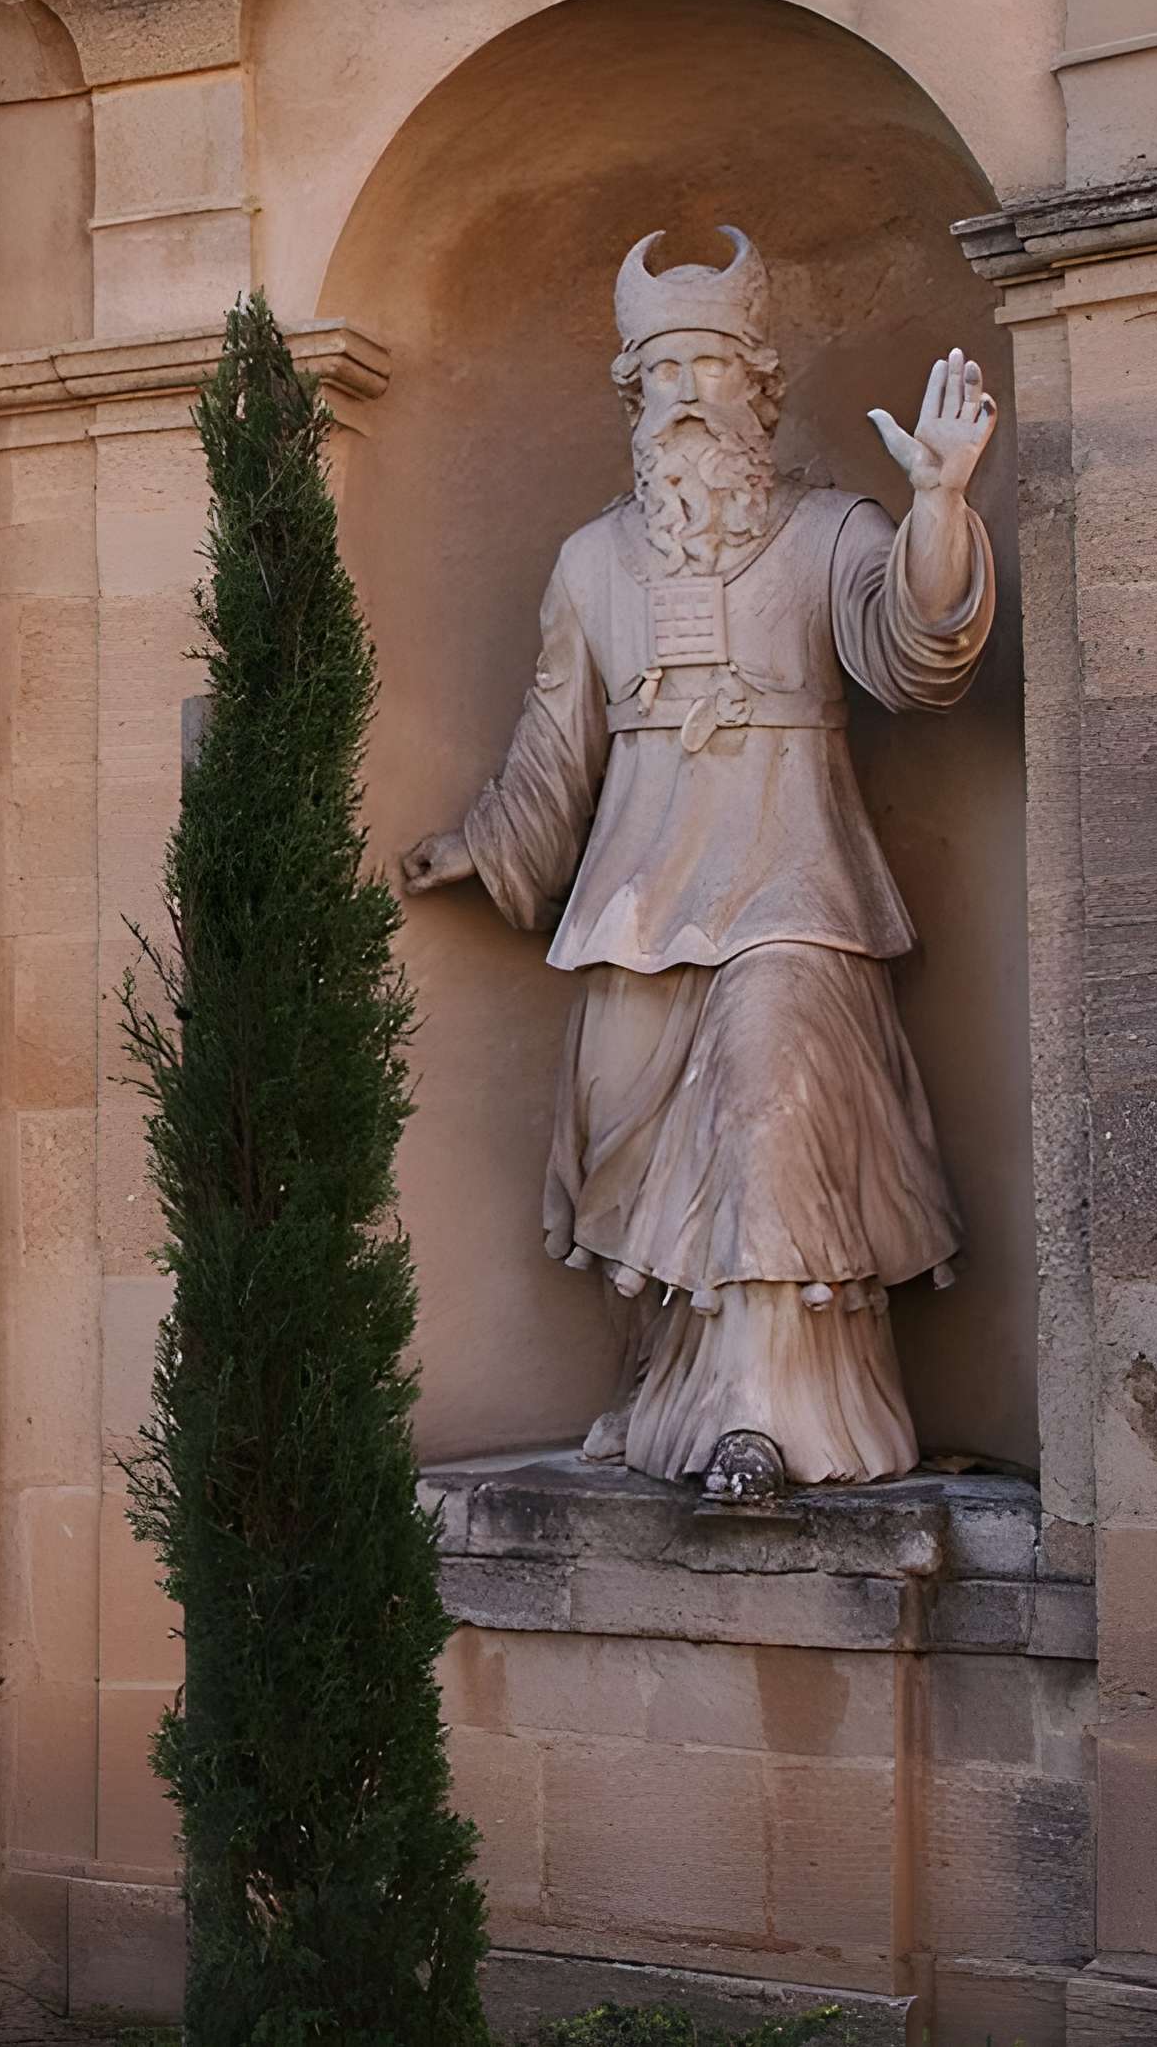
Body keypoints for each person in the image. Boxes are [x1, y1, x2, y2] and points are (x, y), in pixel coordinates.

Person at [401, 227, 998, 1494]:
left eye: (711, 366)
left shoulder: (827, 531)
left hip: (794, 893)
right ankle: (675, 1393)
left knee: (766, 1105)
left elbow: (917, 649)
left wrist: (937, 506)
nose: (685, 393)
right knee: (637, 1170)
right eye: (660, 370)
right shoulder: (589, 563)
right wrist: (484, 841)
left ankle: (766, 1416)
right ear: (632, 395)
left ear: (758, 388)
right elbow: (554, 750)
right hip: (635, 902)